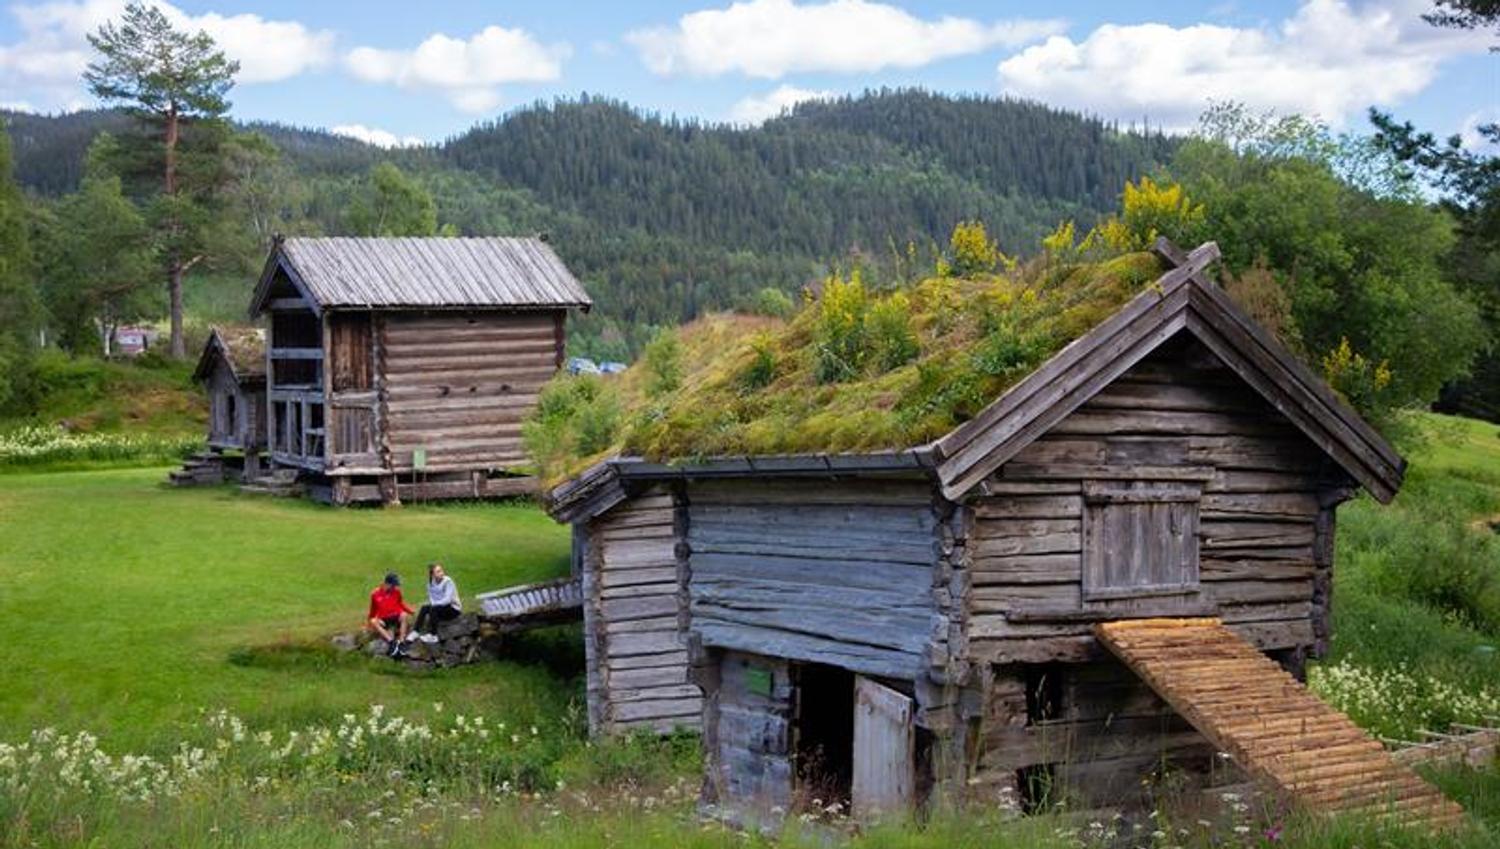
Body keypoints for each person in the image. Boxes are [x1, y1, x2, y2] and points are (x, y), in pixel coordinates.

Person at [410, 562, 462, 644]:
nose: (441, 573)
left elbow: (447, 600)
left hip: (453, 609)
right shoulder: (430, 584)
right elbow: (431, 598)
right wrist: (433, 604)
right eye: (438, 572)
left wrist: (434, 604)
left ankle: (433, 635)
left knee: (433, 609)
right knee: (424, 608)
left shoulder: (448, 581)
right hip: (440, 608)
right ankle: (415, 631)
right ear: (432, 575)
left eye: (441, 570)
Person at [366, 572, 414, 657]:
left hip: (396, 616)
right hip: (383, 619)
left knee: (404, 615)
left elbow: (400, 604)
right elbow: (372, 610)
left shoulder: (397, 592)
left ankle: (401, 642)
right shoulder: (375, 594)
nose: (395, 587)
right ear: (387, 584)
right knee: (373, 621)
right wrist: (369, 621)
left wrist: (410, 611)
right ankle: (392, 642)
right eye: (393, 585)